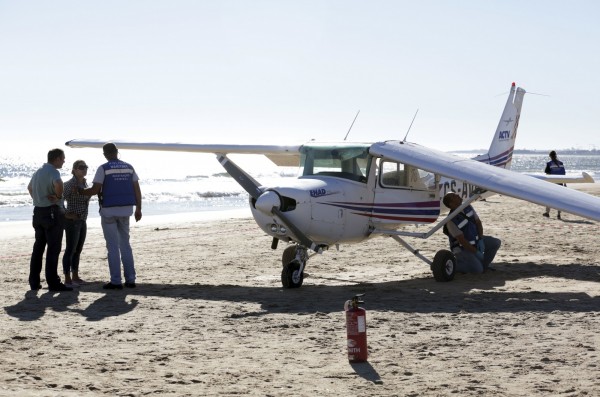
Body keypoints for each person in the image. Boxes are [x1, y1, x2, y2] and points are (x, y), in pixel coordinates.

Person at [79, 143, 142, 290]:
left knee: (113, 246)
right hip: (126, 209)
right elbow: (137, 189)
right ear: (117, 152)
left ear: (105, 154)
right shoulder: (129, 167)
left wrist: (80, 192)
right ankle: (131, 279)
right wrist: (139, 209)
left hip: (109, 211)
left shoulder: (104, 168)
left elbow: (95, 190)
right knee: (125, 245)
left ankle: (116, 280)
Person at [27, 148, 72, 291]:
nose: (64, 161)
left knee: (38, 248)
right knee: (53, 249)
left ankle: (34, 282)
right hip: (52, 212)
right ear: (57, 158)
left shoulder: (38, 171)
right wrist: (58, 197)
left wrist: (38, 199)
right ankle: (53, 282)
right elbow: (59, 184)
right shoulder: (53, 171)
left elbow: (29, 187)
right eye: (63, 158)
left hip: (38, 212)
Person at [442, 192, 501, 274]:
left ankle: (484, 265)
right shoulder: (451, 221)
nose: (458, 195)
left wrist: (480, 239)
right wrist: (476, 252)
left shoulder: (467, 207)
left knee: (495, 242)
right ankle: (453, 265)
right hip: (462, 249)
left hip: (475, 242)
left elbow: (478, 223)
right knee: (477, 270)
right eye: (454, 196)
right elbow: (462, 241)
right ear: (451, 204)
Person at [62, 160, 91, 288]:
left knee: (78, 250)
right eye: (81, 167)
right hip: (72, 221)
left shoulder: (85, 183)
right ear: (74, 169)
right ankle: (67, 278)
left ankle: (75, 276)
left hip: (83, 219)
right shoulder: (68, 184)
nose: (84, 169)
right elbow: (59, 200)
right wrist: (66, 214)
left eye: (86, 167)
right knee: (70, 249)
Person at [543, 150, 566, 219]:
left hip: (552, 183)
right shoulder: (561, 163)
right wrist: (565, 183)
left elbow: (546, 171)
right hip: (560, 183)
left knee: (549, 198)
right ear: (556, 155)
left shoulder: (549, 163)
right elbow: (564, 173)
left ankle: (547, 213)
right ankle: (559, 214)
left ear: (550, 156)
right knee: (559, 199)